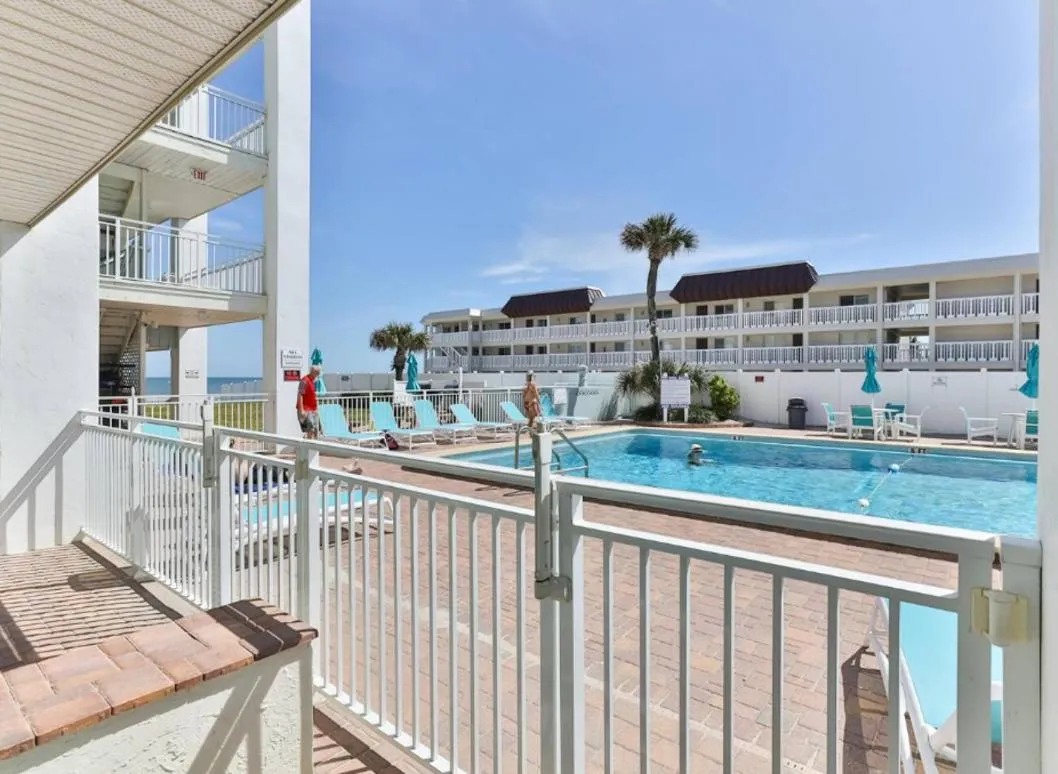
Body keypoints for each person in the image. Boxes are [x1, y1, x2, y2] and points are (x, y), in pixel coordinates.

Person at [297, 364, 321, 439]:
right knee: (310, 429)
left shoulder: (312, 381)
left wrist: (316, 408)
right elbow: (300, 395)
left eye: (318, 373)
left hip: (313, 409)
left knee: (316, 429)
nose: (317, 375)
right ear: (312, 372)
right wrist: (301, 410)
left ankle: (314, 447)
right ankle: (309, 447)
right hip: (306, 409)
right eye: (317, 373)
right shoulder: (304, 380)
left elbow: (312, 396)